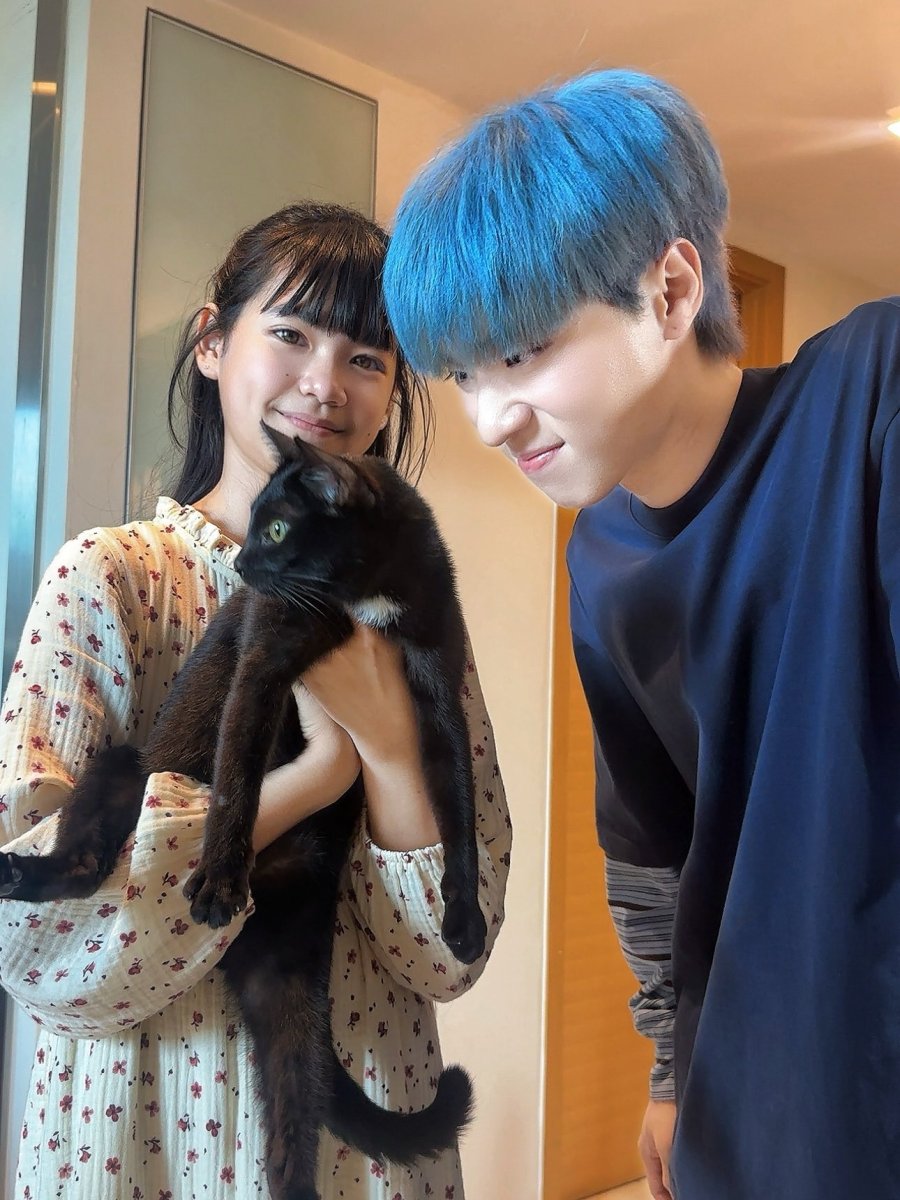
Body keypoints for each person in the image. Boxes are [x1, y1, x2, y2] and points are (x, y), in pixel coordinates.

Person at [381, 69, 900, 1200]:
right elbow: (651, 849)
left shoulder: (872, 391)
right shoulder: (603, 557)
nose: (490, 417)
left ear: (671, 289)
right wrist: (670, 1072)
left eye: (523, 351)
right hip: (751, 1109)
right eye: (463, 372)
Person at [0, 201, 511, 1200]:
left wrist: (391, 750)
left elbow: (452, 953)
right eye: (291, 334)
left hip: (355, 1143)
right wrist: (322, 773)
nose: (326, 383)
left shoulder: (405, 608)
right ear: (211, 342)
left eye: (367, 358)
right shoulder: (112, 580)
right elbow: (34, 938)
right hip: (138, 1139)